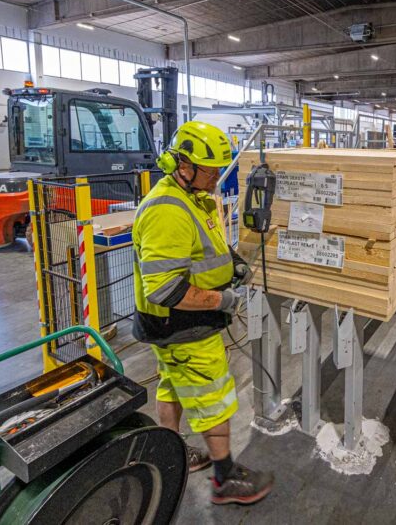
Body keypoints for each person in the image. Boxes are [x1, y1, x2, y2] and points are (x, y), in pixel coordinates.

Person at [132, 121, 273, 505]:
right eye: (211, 172)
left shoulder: (195, 197)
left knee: (172, 383)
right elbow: (165, 289)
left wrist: (233, 262)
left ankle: (172, 450)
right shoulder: (167, 211)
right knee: (212, 395)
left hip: (173, 325)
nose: (216, 179)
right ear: (183, 165)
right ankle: (225, 477)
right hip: (182, 324)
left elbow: (206, 246)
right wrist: (223, 300)